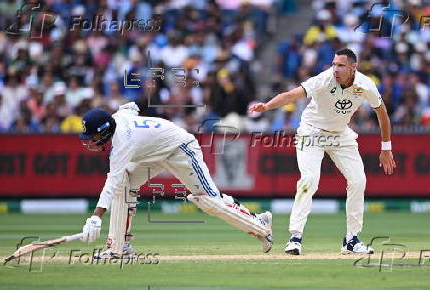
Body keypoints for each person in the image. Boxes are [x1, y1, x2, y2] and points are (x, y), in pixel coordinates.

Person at [249, 48, 396, 255]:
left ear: (353, 68)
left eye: (341, 65)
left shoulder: (365, 85)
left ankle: (352, 240)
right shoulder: (324, 79)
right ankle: (295, 238)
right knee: (309, 180)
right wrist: (266, 106)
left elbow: (382, 113)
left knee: (358, 181)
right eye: (334, 64)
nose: (335, 68)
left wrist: (386, 148)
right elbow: (291, 95)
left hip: (341, 134)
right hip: (311, 133)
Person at [79, 102, 273, 257]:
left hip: (181, 148)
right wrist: (131, 109)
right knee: (124, 182)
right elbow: (130, 107)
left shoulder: (122, 143)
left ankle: (261, 226)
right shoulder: (117, 118)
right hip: (154, 153)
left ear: (105, 131)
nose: (91, 141)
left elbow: (110, 183)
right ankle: (119, 247)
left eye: (93, 136)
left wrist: (96, 217)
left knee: (210, 201)